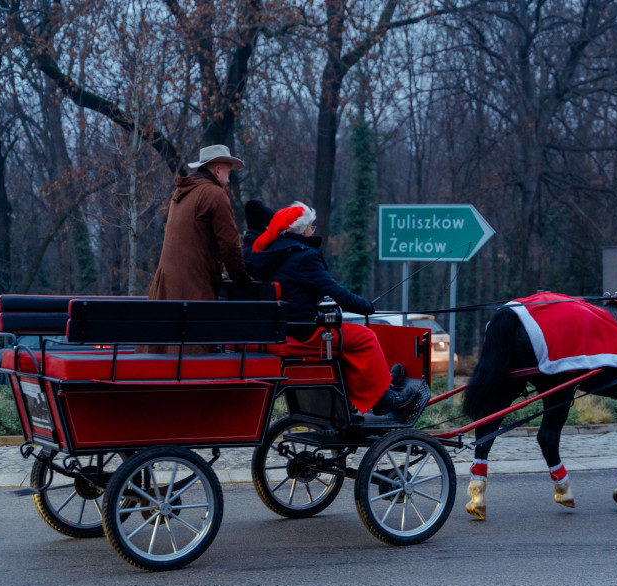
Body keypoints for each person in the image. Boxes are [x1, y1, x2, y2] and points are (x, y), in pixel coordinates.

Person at [246, 201, 418, 416]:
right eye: (311, 226)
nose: (312, 230)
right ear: (301, 229)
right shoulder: (303, 256)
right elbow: (334, 291)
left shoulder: (271, 255)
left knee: (345, 338)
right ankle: (383, 398)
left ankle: (375, 387)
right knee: (365, 337)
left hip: (284, 329)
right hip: (304, 332)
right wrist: (365, 306)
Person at [140, 144, 252, 353]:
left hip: (165, 290)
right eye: (228, 173)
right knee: (193, 357)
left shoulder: (181, 193)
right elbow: (229, 246)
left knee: (164, 355)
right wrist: (242, 279)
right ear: (217, 170)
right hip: (192, 292)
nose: (228, 181)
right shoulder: (215, 194)